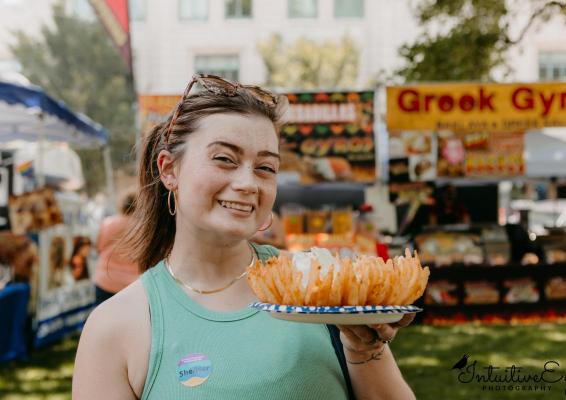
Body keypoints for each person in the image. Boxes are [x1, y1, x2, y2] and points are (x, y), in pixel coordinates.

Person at [73, 75, 416, 400]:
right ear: (168, 169)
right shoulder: (115, 326)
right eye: (224, 159)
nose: (248, 183)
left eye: (265, 167)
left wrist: (363, 348)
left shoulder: (319, 286)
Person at [92, 193, 139, 304]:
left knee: (102, 319)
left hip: (105, 281)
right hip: (131, 285)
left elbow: (99, 247)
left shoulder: (108, 223)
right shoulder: (143, 227)